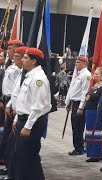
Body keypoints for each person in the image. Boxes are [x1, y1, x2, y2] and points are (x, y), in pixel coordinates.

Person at [12, 48, 51, 180]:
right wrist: (17, 118)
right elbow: (23, 101)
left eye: (25, 58)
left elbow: (37, 106)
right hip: (24, 119)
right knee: (22, 156)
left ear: (34, 61)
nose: (22, 60)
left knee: (29, 156)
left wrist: (28, 126)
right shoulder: (30, 75)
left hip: (32, 122)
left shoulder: (38, 79)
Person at [1, 46, 26, 180]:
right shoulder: (16, 69)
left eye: (18, 56)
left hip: (19, 111)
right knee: (8, 138)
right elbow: (15, 91)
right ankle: (9, 166)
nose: (14, 57)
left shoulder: (22, 72)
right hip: (10, 104)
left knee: (12, 140)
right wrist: (9, 104)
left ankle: (12, 167)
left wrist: (12, 105)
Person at [65, 56, 91, 155]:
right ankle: (78, 146)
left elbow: (85, 92)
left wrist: (81, 107)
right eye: (76, 62)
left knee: (78, 127)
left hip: (80, 104)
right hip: (74, 102)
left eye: (78, 62)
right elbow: (73, 90)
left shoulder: (86, 75)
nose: (76, 64)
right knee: (75, 127)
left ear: (84, 64)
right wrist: (69, 103)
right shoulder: (78, 74)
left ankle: (79, 148)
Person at [84, 67, 102, 162]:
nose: (94, 75)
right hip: (89, 113)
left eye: (97, 74)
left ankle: (97, 154)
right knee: (89, 133)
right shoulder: (94, 86)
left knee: (96, 133)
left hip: (95, 113)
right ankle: (92, 152)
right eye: (95, 73)